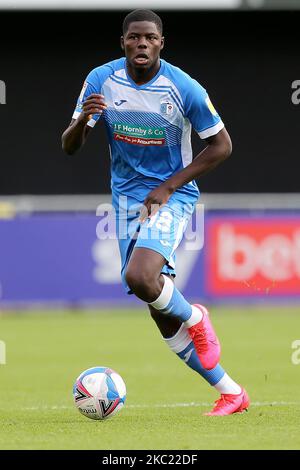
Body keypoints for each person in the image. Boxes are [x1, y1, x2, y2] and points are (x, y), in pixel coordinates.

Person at [62, 9, 249, 416]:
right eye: (134, 38)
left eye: (149, 37)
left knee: (139, 276)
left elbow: (222, 145)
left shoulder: (184, 88)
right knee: (157, 307)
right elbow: (69, 146)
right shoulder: (101, 81)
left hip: (170, 197)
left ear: (161, 42)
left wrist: (168, 187)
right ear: (124, 42)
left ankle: (196, 317)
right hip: (125, 202)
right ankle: (232, 393)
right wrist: (84, 121)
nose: (141, 44)